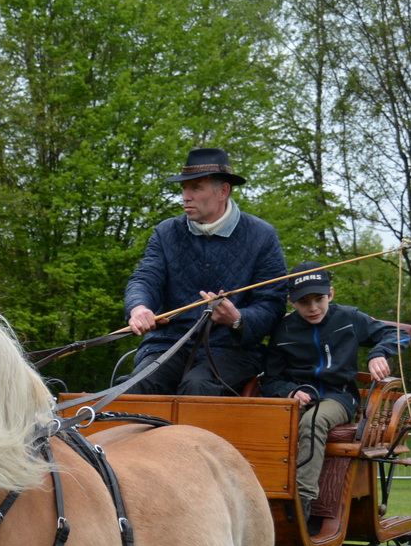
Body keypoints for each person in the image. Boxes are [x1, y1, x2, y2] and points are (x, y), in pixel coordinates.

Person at [122, 147, 288, 395]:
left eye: (196, 188)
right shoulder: (166, 232)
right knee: (133, 388)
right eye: (184, 188)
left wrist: (237, 319)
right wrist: (139, 308)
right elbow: (145, 278)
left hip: (233, 351)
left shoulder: (262, 236)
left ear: (223, 191)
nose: (186, 196)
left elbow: (272, 304)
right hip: (168, 346)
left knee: (197, 387)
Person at [258, 262, 405, 523]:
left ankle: (302, 503)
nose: (313, 308)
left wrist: (378, 353)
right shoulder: (283, 330)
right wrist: (288, 392)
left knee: (313, 421)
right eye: (304, 301)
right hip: (296, 399)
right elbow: (270, 379)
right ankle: (261, 499)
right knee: (263, 423)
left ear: (331, 294)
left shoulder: (349, 318)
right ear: (292, 301)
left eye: (319, 299)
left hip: (338, 397)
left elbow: (400, 336)